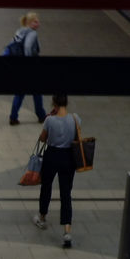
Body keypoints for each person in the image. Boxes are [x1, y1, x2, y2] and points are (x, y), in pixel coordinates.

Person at [33, 93, 79, 248]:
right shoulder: (75, 119)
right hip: (68, 158)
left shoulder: (49, 120)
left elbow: (42, 139)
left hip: (52, 156)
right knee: (66, 193)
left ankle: (42, 217)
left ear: (54, 103)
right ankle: (67, 231)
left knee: (46, 186)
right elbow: (78, 138)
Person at [7, 12, 46, 126]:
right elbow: (28, 48)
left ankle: (13, 117)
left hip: (19, 66)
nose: (38, 23)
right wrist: (30, 64)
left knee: (20, 92)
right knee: (37, 91)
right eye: (35, 21)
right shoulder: (32, 33)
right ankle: (41, 116)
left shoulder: (20, 31)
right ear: (29, 23)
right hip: (29, 67)